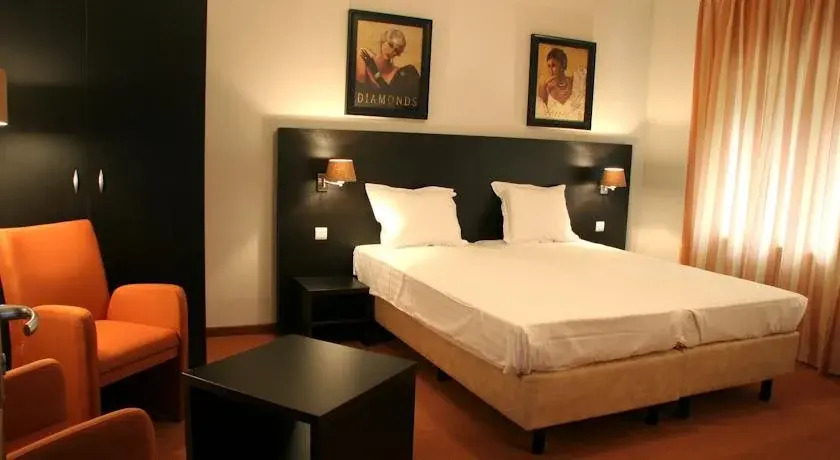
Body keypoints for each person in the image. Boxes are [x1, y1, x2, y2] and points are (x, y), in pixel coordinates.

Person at [354, 28, 421, 108]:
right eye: (390, 45)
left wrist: (373, 69)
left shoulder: (402, 73)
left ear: (398, 53)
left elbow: (389, 96)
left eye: (396, 50)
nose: (391, 51)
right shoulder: (364, 57)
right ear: (382, 42)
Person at [536, 47, 587, 121]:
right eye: (549, 66)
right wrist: (545, 84)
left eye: (554, 66)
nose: (550, 70)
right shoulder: (545, 87)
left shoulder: (576, 82)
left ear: (562, 65)